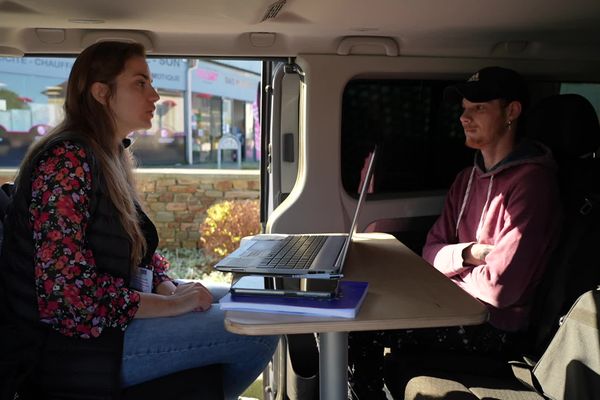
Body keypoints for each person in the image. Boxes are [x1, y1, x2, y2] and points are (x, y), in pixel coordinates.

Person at [0, 41, 278, 400]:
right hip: (68, 349)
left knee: (253, 305)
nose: (156, 95)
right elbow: (67, 298)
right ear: (102, 93)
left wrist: (165, 284)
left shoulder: (108, 154)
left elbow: (137, 246)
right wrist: (170, 306)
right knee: (257, 333)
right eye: (140, 83)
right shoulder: (65, 161)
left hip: (107, 327)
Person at [348, 66, 562, 399]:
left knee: (363, 332)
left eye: (478, 107)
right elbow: (430, 251)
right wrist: (469, 253)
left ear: (512, 112)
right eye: (464, 108)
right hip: (452, 305)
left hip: (497, 327)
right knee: (360, 313)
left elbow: (501, 290)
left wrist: (450, 273)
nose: (464, 117)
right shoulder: (466, 179)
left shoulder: (532, 185)